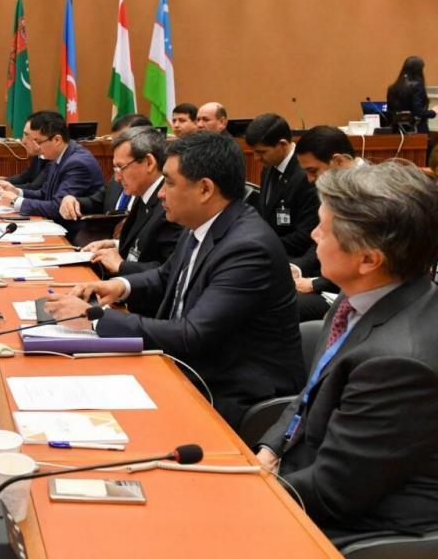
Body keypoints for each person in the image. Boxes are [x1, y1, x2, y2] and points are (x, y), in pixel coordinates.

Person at [45, 132, 305, 428]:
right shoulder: (202, 223)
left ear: (205, 189)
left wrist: (95, 318)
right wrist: (119, 287)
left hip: (229, 394)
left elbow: (192, 334)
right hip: (186, 368)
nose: (160, 194)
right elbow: (167, 276)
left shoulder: (247, 248)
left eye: (168, 182)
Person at [257, 161, 438, 542]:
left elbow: (336, 492)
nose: (313, 234)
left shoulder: (398, 362)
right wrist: (270, 449)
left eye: (324, 229)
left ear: (369, 259)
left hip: (363, 525)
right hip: (310, 473)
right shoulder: (360, 293)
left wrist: (247, 492)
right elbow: (311, 393)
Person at [78, 126, 181, 315]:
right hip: (127, 299)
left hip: (147, 312)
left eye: (121, 168)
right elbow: (146, 241)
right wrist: (115, 244)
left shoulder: (170, 203)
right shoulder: (144, 195)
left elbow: (170, 270)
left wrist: (121, 266)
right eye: (115, 168)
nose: (117, 178)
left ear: (149, 162)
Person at [0, 110, 106, 232]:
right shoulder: (60, 155)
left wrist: (17, 202)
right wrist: (17, 191)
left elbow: (58, 207)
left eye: (38, 141)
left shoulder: (77, 163)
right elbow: (44, 194)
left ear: (57, 140)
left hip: (75, 233)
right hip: (57, 225)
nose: (36, 147)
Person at [290, 126, 361, 321]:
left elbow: (366, 262)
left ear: (339, 161)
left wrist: (315, 284)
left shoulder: (369, 194)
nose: (309, 179)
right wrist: (297, 268)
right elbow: (323, 241)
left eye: (313, 171)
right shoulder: (339, 187)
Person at [244, 113, 319, 257]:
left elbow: (305, 236)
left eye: (261, 152)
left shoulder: (306, 175)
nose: (256, 158)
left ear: (283, 144)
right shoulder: (269, 168)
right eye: (254, 152)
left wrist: (260, 247)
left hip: (293, 258)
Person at [59, 114, 152, 220]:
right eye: (114, 143)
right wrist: (72, 201)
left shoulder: (155, 189)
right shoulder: (119, 174)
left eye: (121, 142)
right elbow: (96, 202)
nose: (115, 149)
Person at [0, 117, 48, 192]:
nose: (23, 141)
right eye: (24, 134)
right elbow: (23, 177)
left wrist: (1, 187)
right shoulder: (38, 155)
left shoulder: (51, 158)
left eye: (27, 135)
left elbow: (35, 187)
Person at [386, 55, 435, 136]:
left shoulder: (392, 88)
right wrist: (433, 112)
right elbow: (418, 112)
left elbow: (390, 113)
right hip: (416, 131)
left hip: (397, 131)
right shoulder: (417, 86)